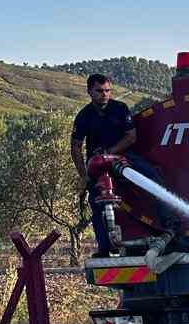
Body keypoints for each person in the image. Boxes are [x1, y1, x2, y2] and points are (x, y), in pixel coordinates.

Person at [70, 75, 170, 254]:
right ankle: (104, 249)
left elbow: (131, 137)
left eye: (107, 90)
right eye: (99, 91)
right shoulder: (84, 116)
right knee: (96, 201)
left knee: (153, 179)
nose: (104, 94)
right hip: (97, 164)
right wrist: (84, 175)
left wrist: (110, 153)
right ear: (89, 92)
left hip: (124, 157)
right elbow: (75, 146)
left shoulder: (120, 109)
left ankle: (169, 225)